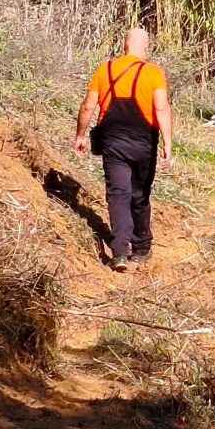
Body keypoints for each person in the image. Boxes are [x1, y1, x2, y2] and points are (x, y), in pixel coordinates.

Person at [73, 28, 173, 272]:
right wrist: (168, 143)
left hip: (113, 142)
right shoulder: (153, 72)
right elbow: (161, 109)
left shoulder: (105, 69)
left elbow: (88, 106)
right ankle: (140, 248)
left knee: (118, 194)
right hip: (143, 144)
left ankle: (119, 253)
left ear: (124, 45)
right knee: (139, 195)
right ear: (146, 46)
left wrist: (80, 135)